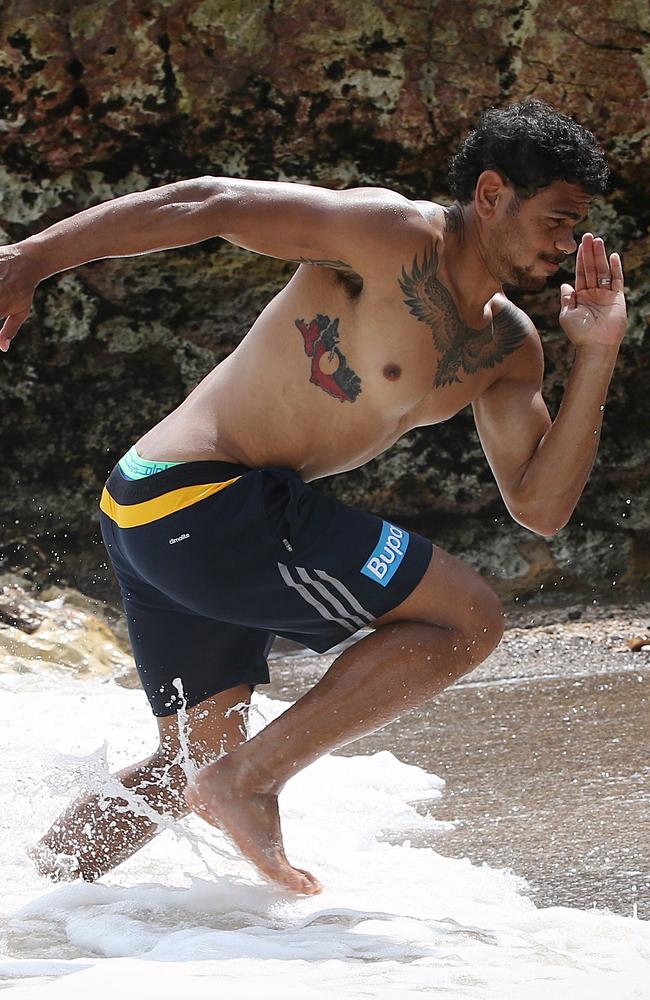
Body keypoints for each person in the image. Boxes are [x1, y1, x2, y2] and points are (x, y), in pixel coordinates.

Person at [0, 100, 626, 895]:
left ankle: (31, 915)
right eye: (558, 220)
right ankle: (252, 782)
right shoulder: (389, 233)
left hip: (155, 510)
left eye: (578, 228)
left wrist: (598, 352)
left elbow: (540, 506)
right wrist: (28, 258)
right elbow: (209, 203)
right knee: (469, 617)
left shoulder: (507, 349)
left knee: (184, 766)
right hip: (204, 497)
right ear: (494, 193)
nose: (568, 246)